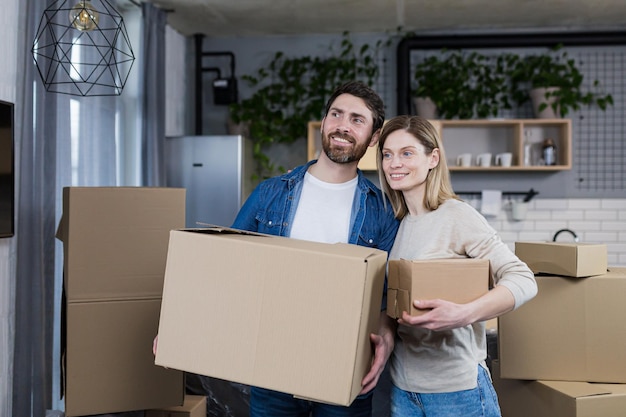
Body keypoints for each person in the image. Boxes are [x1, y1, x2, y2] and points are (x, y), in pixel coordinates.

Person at [230, 80, 400, 417]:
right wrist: (185, 324)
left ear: (374, 136)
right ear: (324, 121)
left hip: (345, 367)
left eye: (357, 119)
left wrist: (388, 336)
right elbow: (229, 264)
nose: (342, 126)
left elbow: (388, 294)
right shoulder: (270, 193)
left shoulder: (382, 209)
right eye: (336, 114)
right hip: (272, 366)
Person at [366, 115, 537, 417]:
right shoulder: (396, 224)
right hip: (403, 390)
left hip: (457, 393)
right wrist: (386, 332)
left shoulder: (456, 216)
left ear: (433, 158)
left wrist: (464, 314)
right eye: (387, 154)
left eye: (407, 153)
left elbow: (523, 279)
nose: (394, 163)